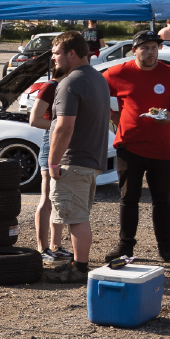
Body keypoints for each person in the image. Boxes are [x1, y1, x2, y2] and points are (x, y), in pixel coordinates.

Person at [101, 32, 170, 264]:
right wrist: (111, 115)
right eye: (146, 47)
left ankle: (166, 248)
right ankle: (125, 246)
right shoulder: (118, 72)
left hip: (162, 150)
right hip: (129, 146)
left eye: (155, 47)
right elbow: (94, 92)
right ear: (134, 50)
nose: (151, 52)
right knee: (128, 199)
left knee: (162, 201)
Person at [45, 32, 107, 275]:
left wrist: (52, 162)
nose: (53, 59)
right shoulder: (97, 78)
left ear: (72, 53)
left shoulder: (70, 82)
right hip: (90, 160)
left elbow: (64, 126)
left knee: (76, 218)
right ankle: (78, 264)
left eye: (57, 53)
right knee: (77, 215)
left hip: (74, 161)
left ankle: (79, 268)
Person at [28, 67, 64, 260]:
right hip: (51, 142)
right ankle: (42, 248)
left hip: (67, 144)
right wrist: (64, 126)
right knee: (47, 198)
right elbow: (34, 120)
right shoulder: (50, 86)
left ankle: (56, 245)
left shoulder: (69, 85)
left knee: (60, 198)